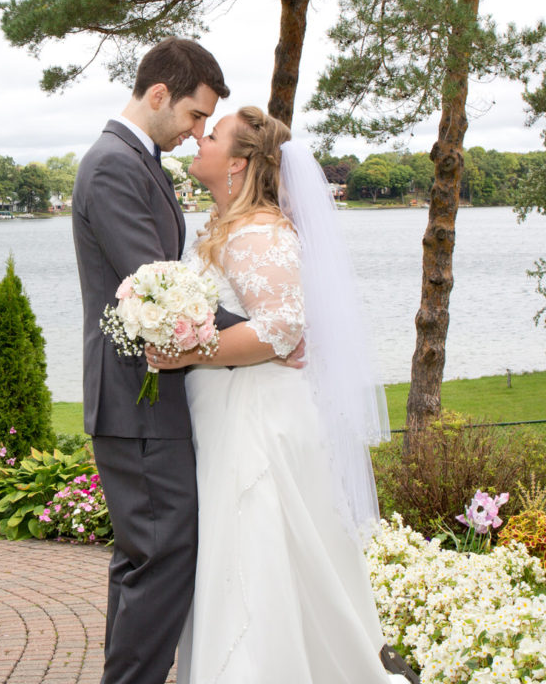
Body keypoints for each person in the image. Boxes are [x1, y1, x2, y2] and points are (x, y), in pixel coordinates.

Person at [147, 105, 413, 683]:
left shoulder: (259, 231)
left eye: (211, 136)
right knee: (251, 557)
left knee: (257, 553)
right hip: (227, 413)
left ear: (238, 163)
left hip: (257, 419)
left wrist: (188, 351)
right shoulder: (227, 228)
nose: (199, 139)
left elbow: (280, 327)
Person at [72, 37, 242, 684]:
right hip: (135, 400)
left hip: (149, 402)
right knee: (163, 555)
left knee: (145, 558)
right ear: (159, 94)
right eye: (197, 116)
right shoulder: (114, 165)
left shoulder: (137, 161)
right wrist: (264, 337)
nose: (199, 132)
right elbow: (159, 289)